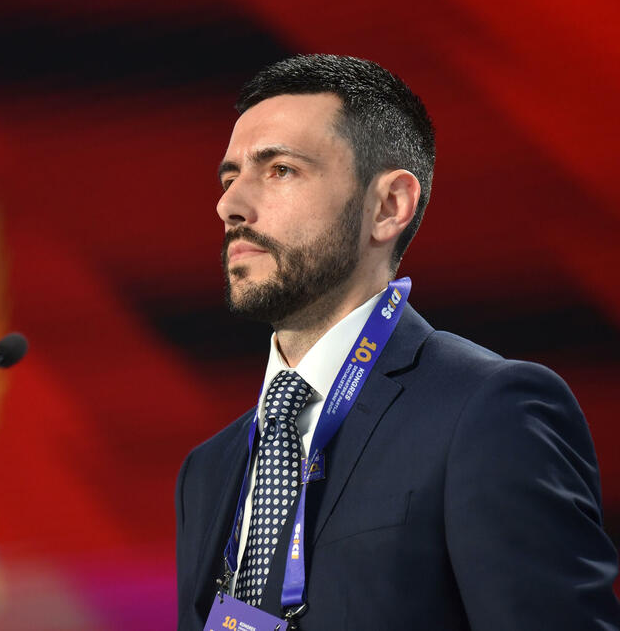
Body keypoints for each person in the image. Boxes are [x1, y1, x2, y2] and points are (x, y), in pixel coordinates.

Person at [175, 54, 620, 631]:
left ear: (388, 206)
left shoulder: (490, 411)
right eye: (230, 177)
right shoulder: (206, 470)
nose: (229, 205)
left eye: (280, 169)